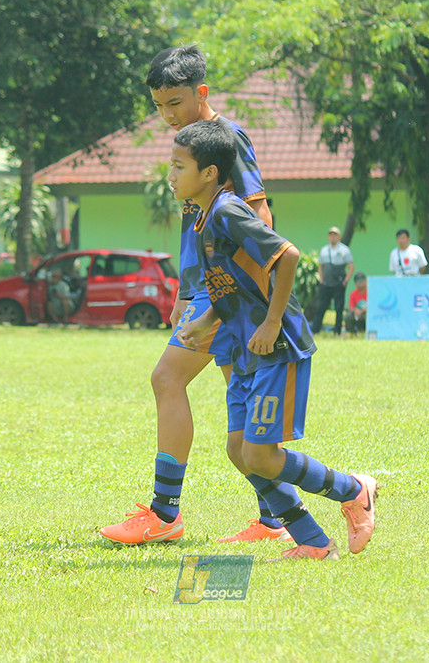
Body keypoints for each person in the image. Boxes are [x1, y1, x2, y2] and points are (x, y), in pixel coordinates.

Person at [100, 45, 286, 546]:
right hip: (206, 290)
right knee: (239, 402)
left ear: (201, 93)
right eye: (159, 105)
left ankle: (164, 514)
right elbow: (193, 229)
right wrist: (186, 291)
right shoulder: (188, 142)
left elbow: (260, 218)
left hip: (227, 290)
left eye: (175, 103)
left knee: (166, 378)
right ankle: (277, 520)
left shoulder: (227, 140)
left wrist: (231, 297)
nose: (167, 115)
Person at [173, 120, 377, 560]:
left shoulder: (228, 211)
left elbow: (287, 257)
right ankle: (314, 542)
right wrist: (206, 317)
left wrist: (270, 323)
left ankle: (354, 489)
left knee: (262, 456)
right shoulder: (205, 219)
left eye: (178, 166)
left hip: (276, 345)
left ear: (209, 173)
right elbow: (234, 283)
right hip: (245, 347)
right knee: (239, 451)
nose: (170, 175)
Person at [311, 226, 354, 335]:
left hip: (339, 283)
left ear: (339, 237)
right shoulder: (324, 250)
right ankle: (315, 329)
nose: (333, 237)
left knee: (339, 308)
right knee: (321, 306)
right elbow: (320, 266)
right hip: (326, 283)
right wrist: (321, 280)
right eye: (331, 235)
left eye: (335, 235)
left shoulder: (344, 250)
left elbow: (351, 266)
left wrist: (346, 281)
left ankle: (337, 331)